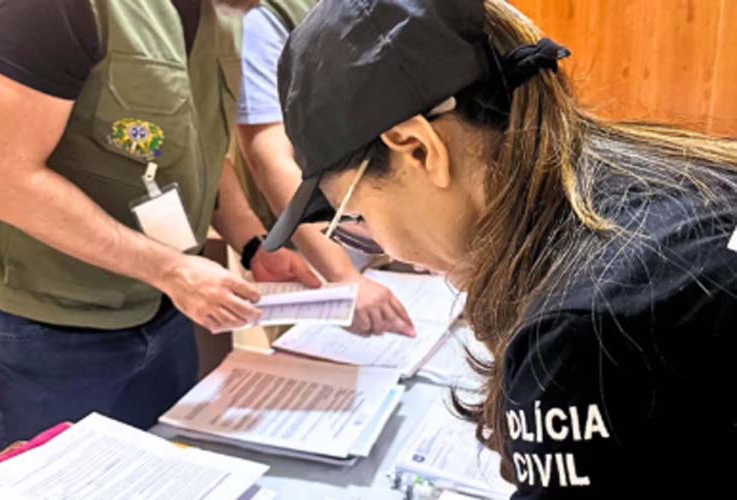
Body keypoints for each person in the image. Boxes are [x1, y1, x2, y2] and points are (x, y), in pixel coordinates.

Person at [263, 0, 737, 497]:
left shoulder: (581, 328)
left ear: (419, 150)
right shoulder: (669, 172)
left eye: (354, 216)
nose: (382, 245)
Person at [0, 0, 319, 449]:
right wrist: (171, 270)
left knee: (166, 474)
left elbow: (201, 151)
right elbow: (5, 179)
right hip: (58, 324)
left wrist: (254, 244)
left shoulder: (222, 14)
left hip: (164, 308)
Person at [234, 0, 415, 336]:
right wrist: (343, 277)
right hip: (312, 249)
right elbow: (270, 159)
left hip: (380, 228)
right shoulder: (265, 20)